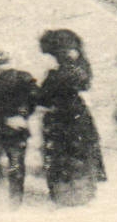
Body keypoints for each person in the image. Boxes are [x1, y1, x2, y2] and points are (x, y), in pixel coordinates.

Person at [35, 29, 106, 206]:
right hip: (78, 114)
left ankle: (65, 194)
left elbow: (42, 98)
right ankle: (89, 187)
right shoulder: (80, 70)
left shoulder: (54, 76)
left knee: (60, 155)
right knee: (85, 148)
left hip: (59, 118)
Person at [0, 50, 39, 204]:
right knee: (15, 167)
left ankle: (6, 202)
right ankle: (14, 202)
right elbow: (35, 98)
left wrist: (8, 118)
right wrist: (21, 115)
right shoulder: (24, 78)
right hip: (14, 131)